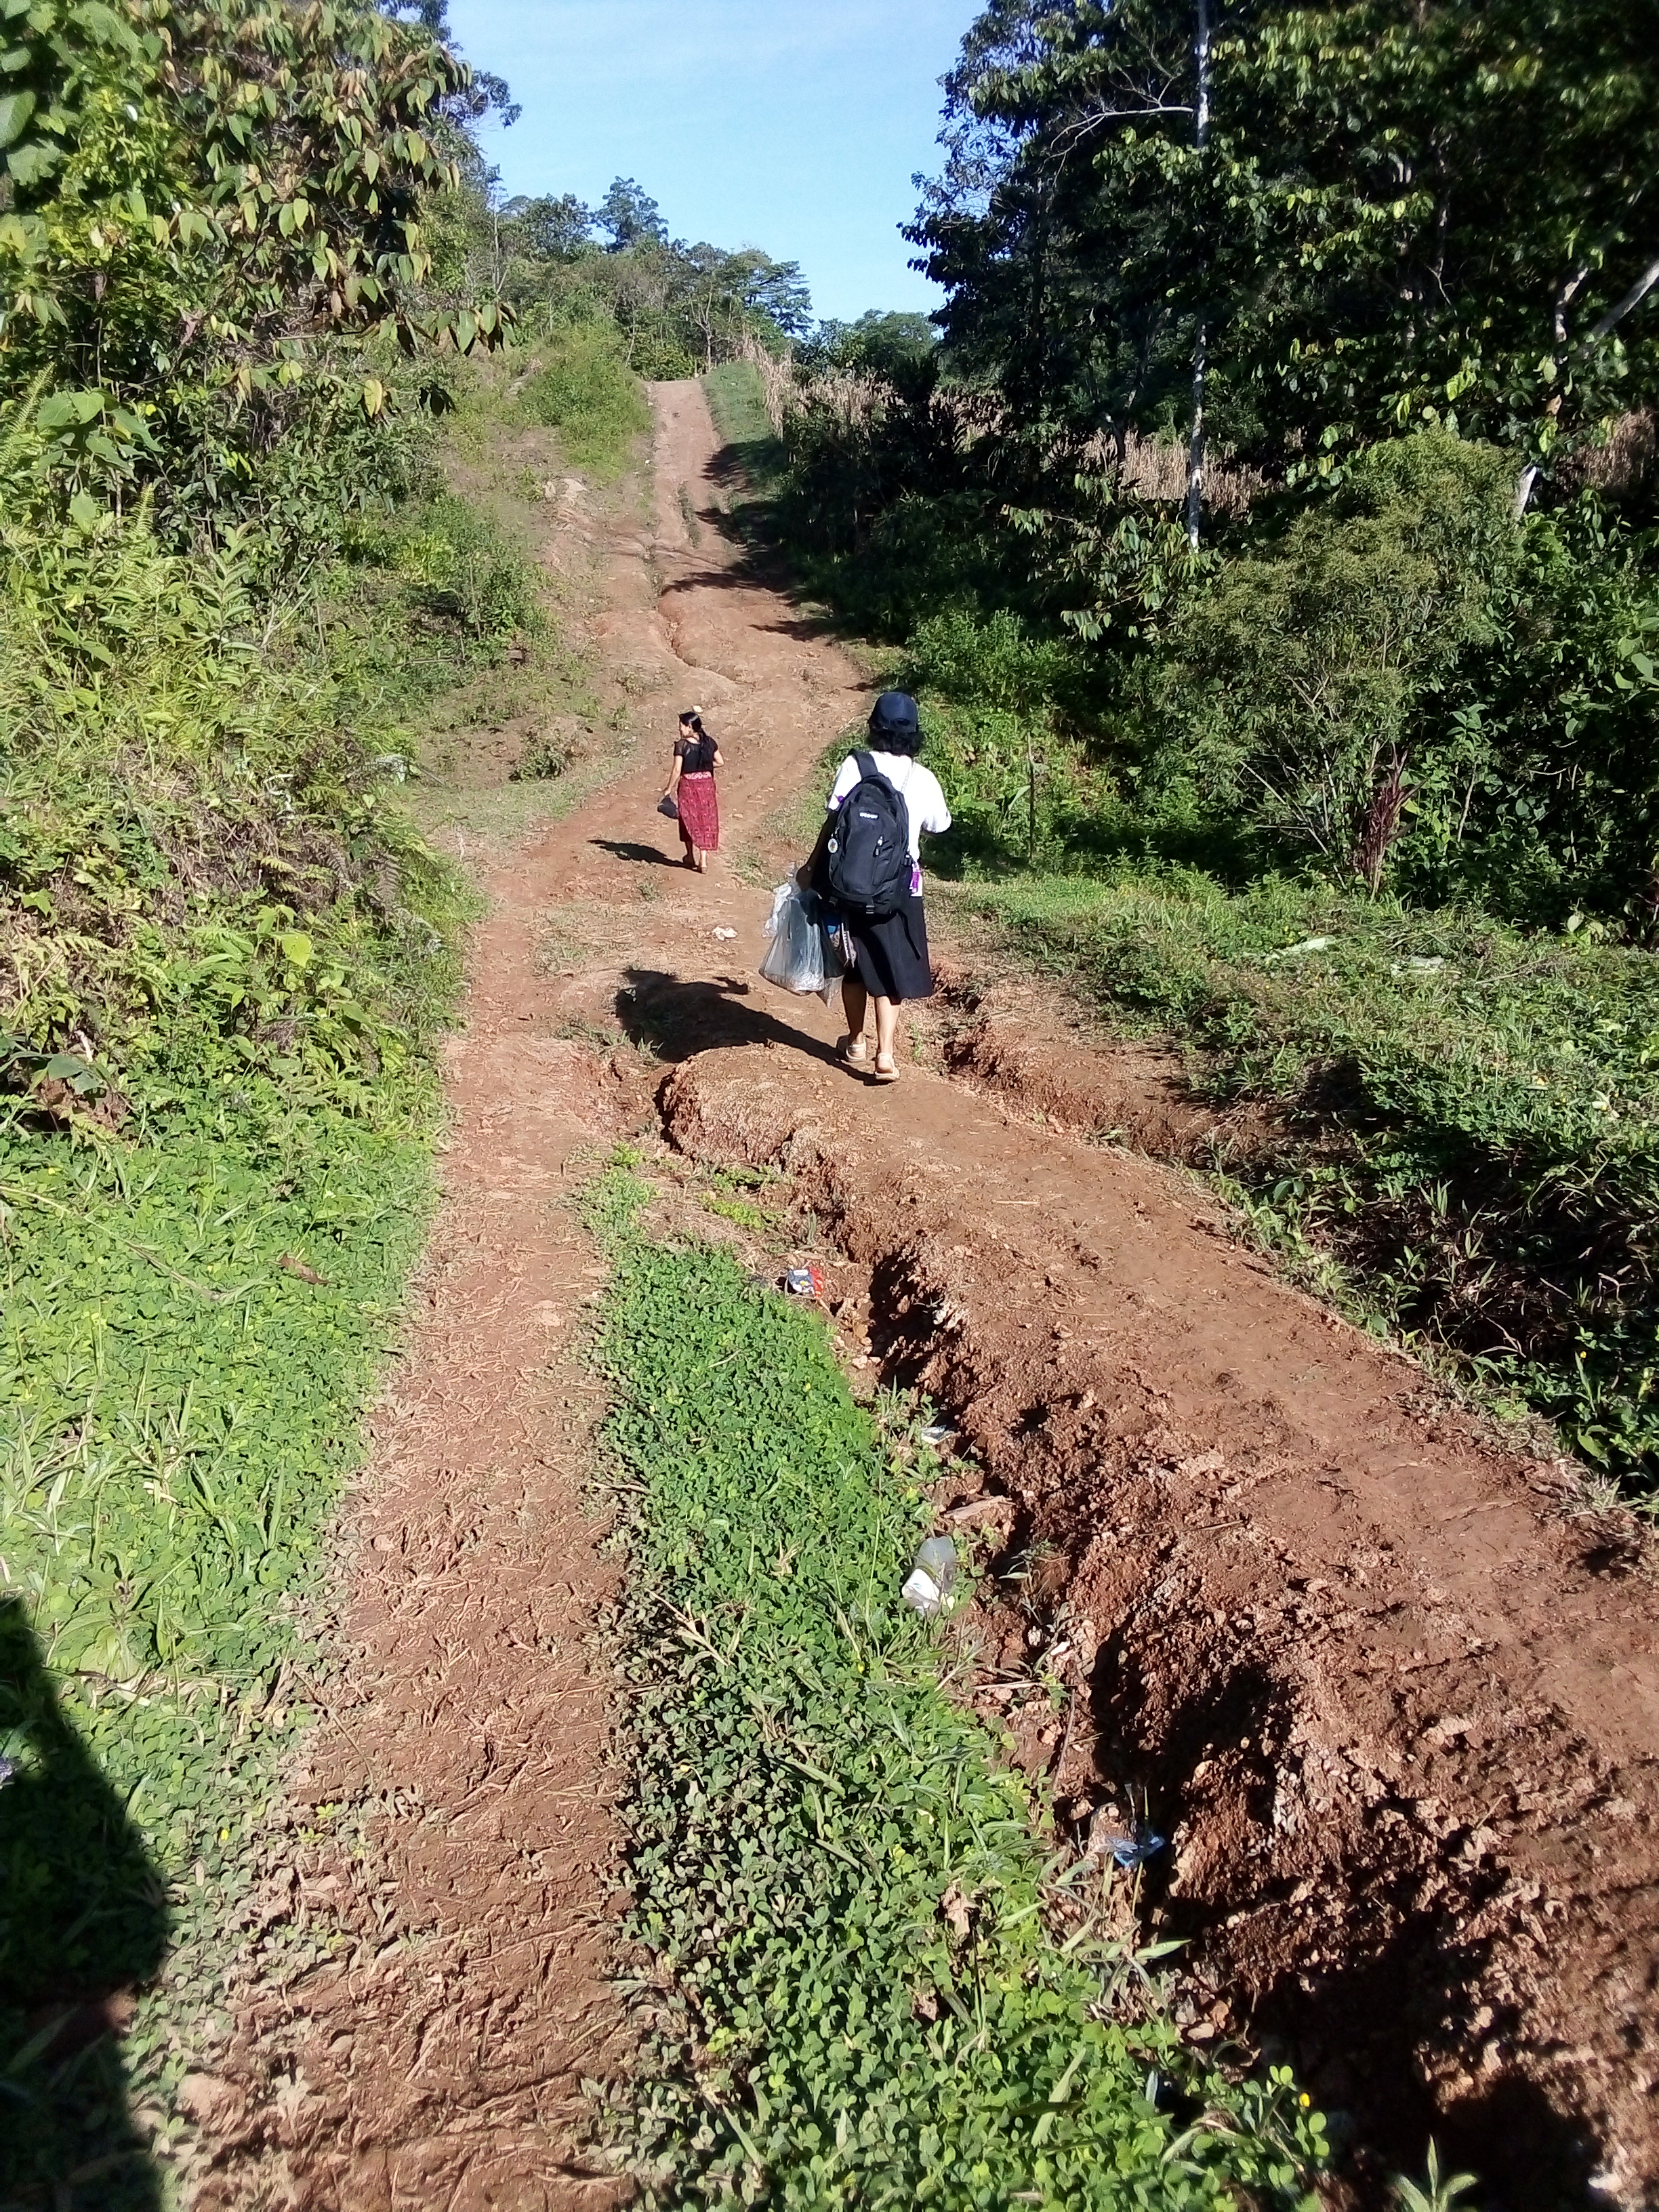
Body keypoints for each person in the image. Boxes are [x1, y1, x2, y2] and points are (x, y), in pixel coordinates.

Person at [817, 691, 950, 1084]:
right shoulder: (923, 778)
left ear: (874, 727)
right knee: (889, 970)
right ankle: (886, 1055)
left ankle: (856, 1040)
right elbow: (940, 824)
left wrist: (813, 870)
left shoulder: (855, 765)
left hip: (850, 882)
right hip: (901, 890)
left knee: (854, 964)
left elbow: (833, 815)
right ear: (914, 735)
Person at [663, 708, 722, 871]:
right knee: (706, 819)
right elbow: (721, 761)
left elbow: (676, 770)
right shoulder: (709, 742)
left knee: (688, 819)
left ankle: (690, 856)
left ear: (689, 727)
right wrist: (704, 766)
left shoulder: (682, 745)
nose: (679, 729)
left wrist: (668, 789)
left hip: (689, 786)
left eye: (681, 726)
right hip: (707, 786)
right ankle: (703, 860)